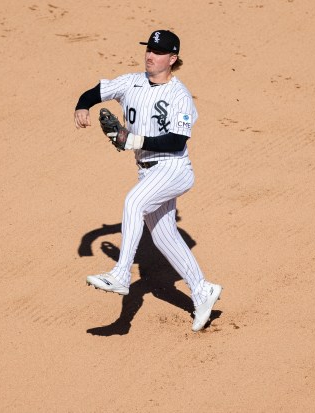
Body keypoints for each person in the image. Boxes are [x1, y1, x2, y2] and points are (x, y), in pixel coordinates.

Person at [73, 29, 222, 332]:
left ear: (173, 58)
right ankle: (202, 289)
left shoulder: (178, 94)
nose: (150, 56)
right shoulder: (131, 82)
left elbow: (177, 140)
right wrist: (81, 106)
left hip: (173, 168)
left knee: (134, 201)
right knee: (164, 235)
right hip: (148, 170)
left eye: (158, 52)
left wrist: (133, 139)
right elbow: (93, 92)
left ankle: (121, 274)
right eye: (148, 50)